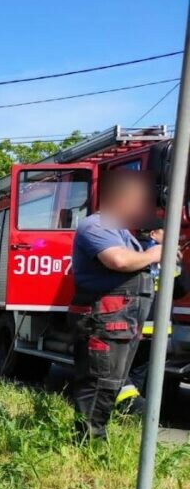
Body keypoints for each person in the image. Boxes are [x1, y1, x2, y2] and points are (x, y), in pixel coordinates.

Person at [69, 170, 161, 440]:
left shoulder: (122, 231)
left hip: (120, 322)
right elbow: (118, 261)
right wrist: (154, 253)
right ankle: (87, 445)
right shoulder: (96, 225)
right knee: (99, 384)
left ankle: (94, 441)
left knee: (111, 385)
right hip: (104, 320)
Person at [115, 217, 187, 414]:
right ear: (154, 233)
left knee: (123, 372)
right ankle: (129, 414)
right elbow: (182, 290)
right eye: (167, 232)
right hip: (154, 328)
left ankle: (126, 412)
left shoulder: (131, 252)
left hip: (131, 325)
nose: (173, 237)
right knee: (138, 373)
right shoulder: (163, 256)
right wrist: (178, 266)